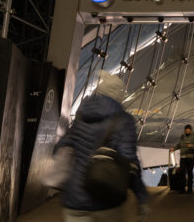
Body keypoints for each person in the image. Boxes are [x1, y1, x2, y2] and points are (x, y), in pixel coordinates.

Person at [55, 70, 150, 222]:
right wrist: (141, 196)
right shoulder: (124, 120)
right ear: (118, 95)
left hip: (74, 200)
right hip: (107, 198)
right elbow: (130, 161)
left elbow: (61, 146)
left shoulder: (81, 115)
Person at [170, 124, 194, 194]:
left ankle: (190, 189)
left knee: (189, 173)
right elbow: (180, 144)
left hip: (191, 157)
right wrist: (174, 148)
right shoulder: (182, 136)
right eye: (186, 131)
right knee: (182, 173)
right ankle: (182, 189)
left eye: (188, 131)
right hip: (183, 157)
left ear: (191, 131)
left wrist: (191, 146)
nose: (187, 132)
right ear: (185, 130)